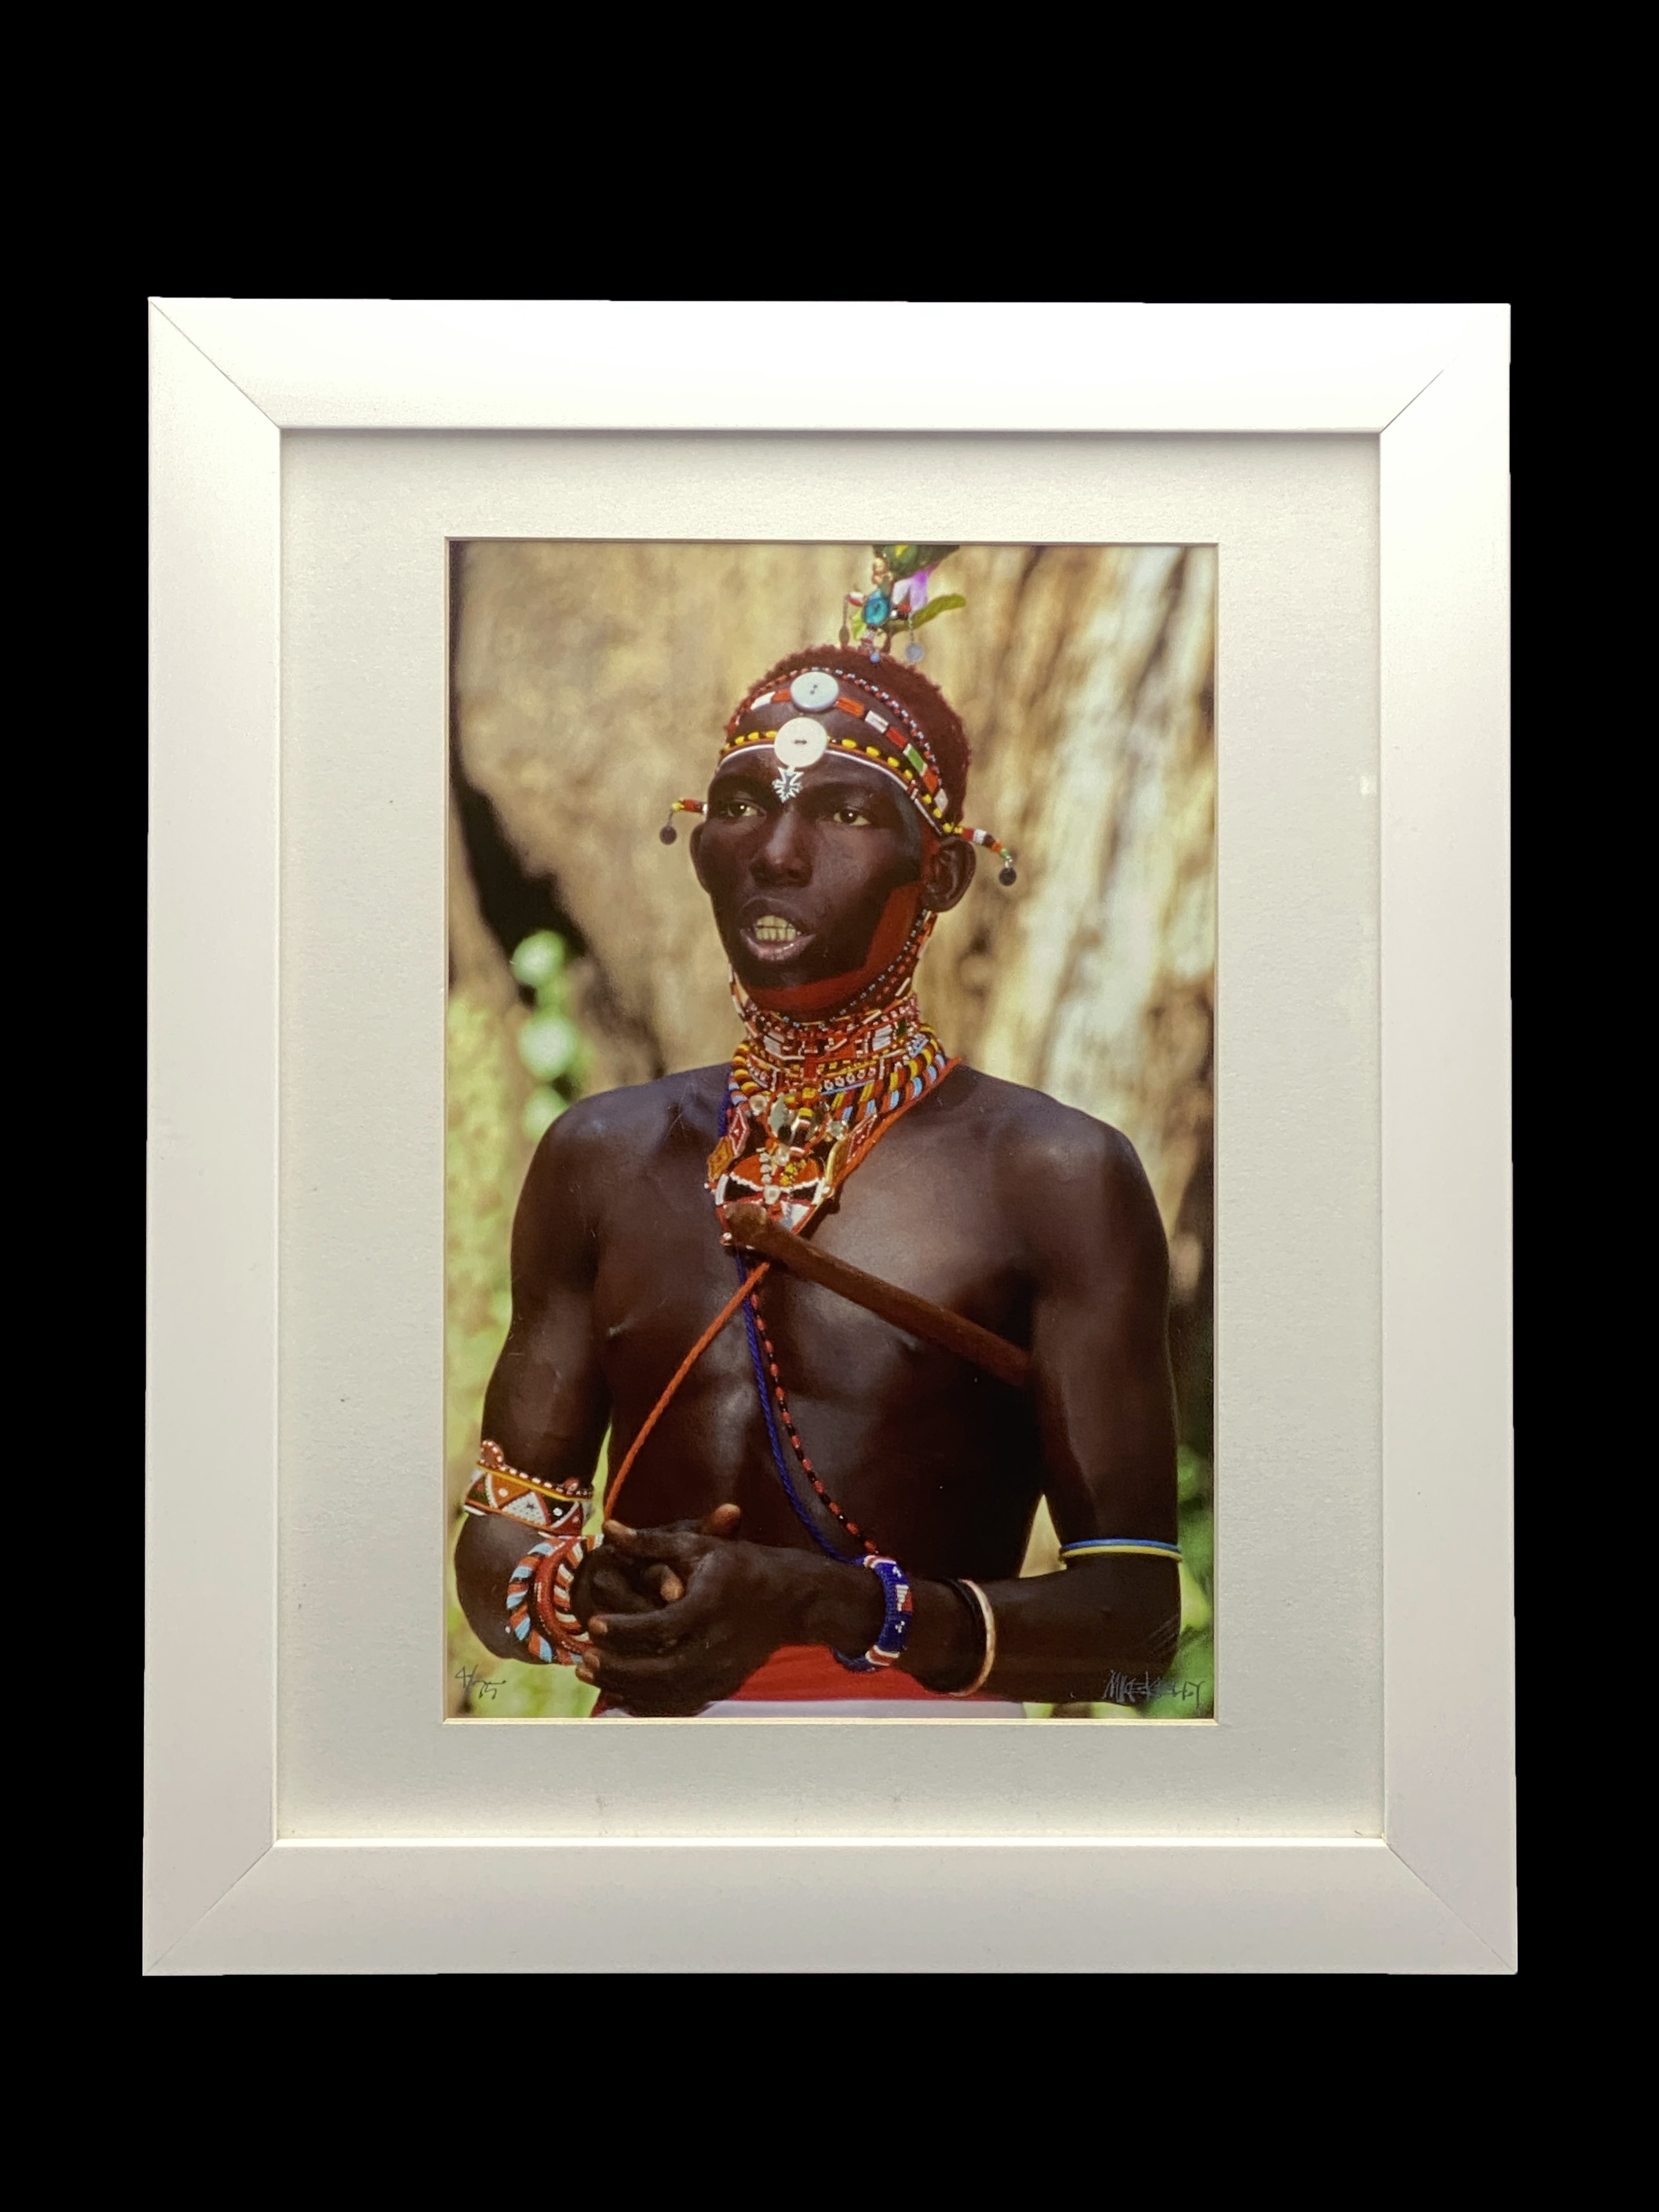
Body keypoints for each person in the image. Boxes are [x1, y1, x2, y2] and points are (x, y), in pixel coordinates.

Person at [454, 641, 1183, 1716]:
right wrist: (573, 1589)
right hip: (635, 1791)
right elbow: (497, 1543)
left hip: (921, 1804)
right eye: (742, 805)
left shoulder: (1055, 1174)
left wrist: (839, 1608)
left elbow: (1139, 1633)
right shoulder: (600, 1156)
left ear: (936, 874)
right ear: (701, 848)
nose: (777, 853)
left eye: (843, 815)